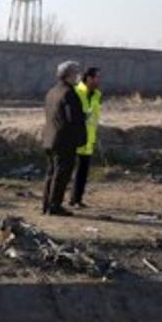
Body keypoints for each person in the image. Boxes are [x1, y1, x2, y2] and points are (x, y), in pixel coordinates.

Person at [41, 60, 88, 216]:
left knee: (51, 173)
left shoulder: (52, 92)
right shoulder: (69, 93)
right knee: (61, 174)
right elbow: (73, 118)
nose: (78, 76)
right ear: (69, 75)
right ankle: (54, 206)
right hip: (64, 140)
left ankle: (46, 204)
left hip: (49, 138)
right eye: (76, 73)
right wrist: (82, 135)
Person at [70, 67, 103, 208]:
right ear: (88, 78)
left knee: (83, 172)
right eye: (97, 77)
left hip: (88, 138)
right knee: (70, 170)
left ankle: (77, 199)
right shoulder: (77, 91)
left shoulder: (97, 95)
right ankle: (67, 199)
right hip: (75, 138)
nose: (99, 80)